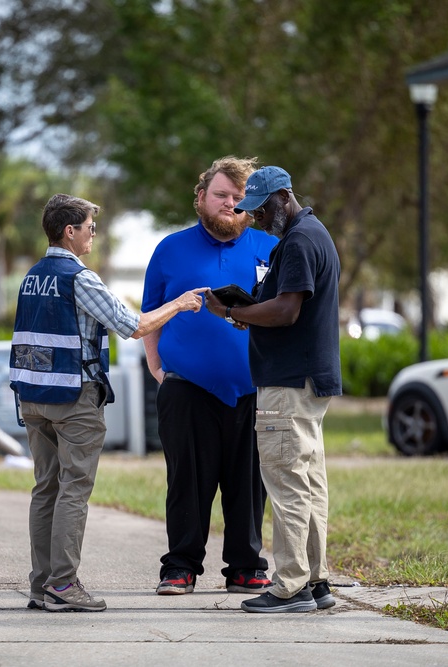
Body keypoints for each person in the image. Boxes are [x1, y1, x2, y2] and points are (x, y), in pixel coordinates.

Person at [10, 193, 206, 612]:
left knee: (45, 488)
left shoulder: (31, 276)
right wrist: (181, 302)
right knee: (73, 490)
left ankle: (41, 584)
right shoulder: (80, 278)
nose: (92, 234)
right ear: (70, 231)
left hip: (32, 398)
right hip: (74, 397)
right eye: (89, 227)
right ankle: (63, 586)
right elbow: (132, 326)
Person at [203, 166, 342, 613]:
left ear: (283, 197)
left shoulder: (299, 241)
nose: (257, 219)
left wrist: (230, 312)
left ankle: (291, 585)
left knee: (286, 485)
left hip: (287, 383)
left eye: (261, 209)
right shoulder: (314, 233)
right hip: (308, 381)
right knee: (308, 482)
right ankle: (317, 582)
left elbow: (285, 311)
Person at [142, 156, 278, 596]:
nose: (230, 205)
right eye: (222, 195)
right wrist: (155, 365)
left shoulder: (268, 247)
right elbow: (150, 315)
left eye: (239, 199)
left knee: (249, 484)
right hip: (187, 388)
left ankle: (245, 567)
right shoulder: (170, 249)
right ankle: (179, 567)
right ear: (201, 198)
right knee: (187, 481)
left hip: (252, 388)